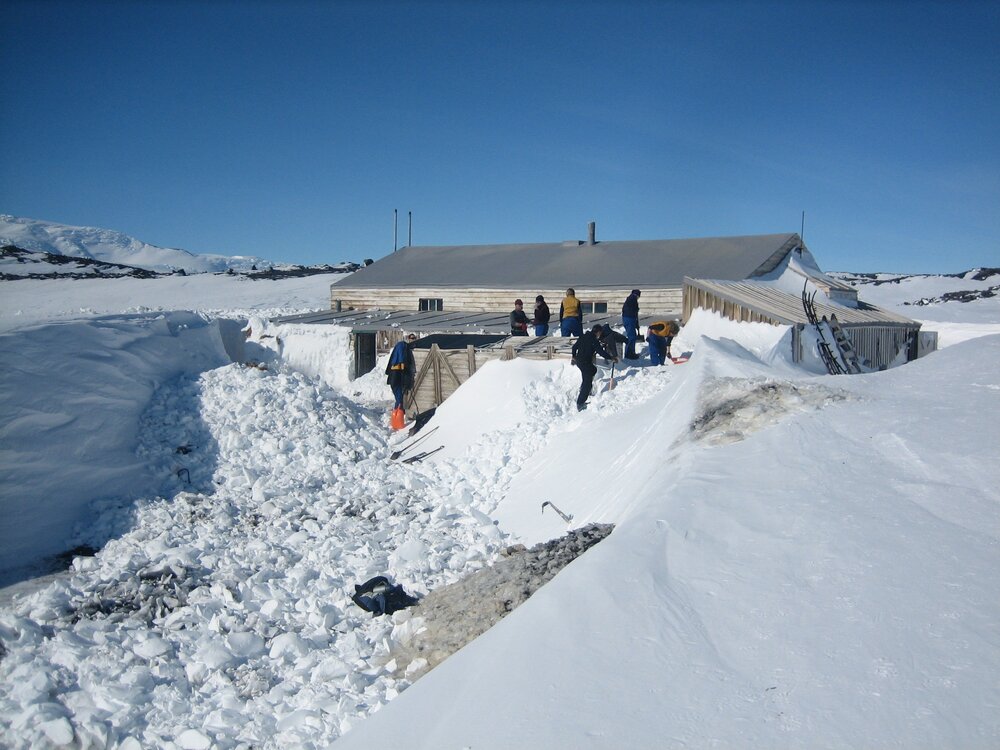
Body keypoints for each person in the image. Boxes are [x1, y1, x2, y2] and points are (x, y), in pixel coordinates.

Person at [571, 324, 616, 410]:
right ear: (598, 332)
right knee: (587, 382)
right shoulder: (594, 340)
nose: (600, 335)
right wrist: (611, 358)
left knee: (593, 370)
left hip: (579, 361)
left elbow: (574, 347)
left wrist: (573, 356)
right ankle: (580, 403)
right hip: (585, 362)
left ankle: (586, 389)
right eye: (600, 333)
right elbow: (601, 352)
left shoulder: (583, 336)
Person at [385, 333, 417, 409]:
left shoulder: (405, 347)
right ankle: (398, 409)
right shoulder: (402, 345)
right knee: (398, 392)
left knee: (399, 393)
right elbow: (401, 359)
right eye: (411, 338)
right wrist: (403, 367)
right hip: (396, 373)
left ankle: (398, 409)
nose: (412, 340)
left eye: (413, 338)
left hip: (398, 373)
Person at [621, 289, 641, 359]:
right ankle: (629, 354)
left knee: (632, 336)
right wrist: (635, 309)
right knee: (631, 337)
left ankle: (631, 352)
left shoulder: (631, 299)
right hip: (629, 319)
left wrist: (636, 324)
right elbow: (631, 309)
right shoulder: (632, 298)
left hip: (629, 319)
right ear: (637, 295)